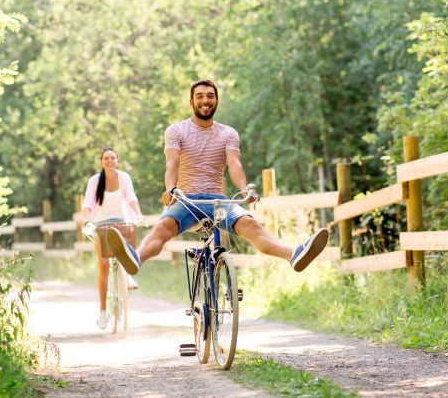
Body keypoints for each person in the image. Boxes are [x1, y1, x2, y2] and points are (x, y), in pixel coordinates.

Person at [106, 79, 329, 276]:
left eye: (210, 96)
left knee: (251, 225)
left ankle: (294, 254)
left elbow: (234, 163)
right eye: (200, 96)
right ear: (191, 102)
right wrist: (171, 189)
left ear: (217, 101)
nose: (205, 100)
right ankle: (137, 258)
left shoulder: (228, 133)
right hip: (185, 199)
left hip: (217, 201)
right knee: (163, 228)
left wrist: (244, 189)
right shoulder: (176, 131)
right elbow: (172, 163)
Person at [81, 147, 144, 330]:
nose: (109, 161)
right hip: (100, 225)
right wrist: (87, 220)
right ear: (101, 162)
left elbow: (131, 197)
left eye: (113, 158)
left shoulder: (124, 178)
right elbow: (87, 204)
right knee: (104, 265)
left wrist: (138, 214)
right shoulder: (95, 181)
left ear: (117, 160)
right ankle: (102, 310)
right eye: (106, 158)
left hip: (120, 221)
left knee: (129, 238)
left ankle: (129, 275)